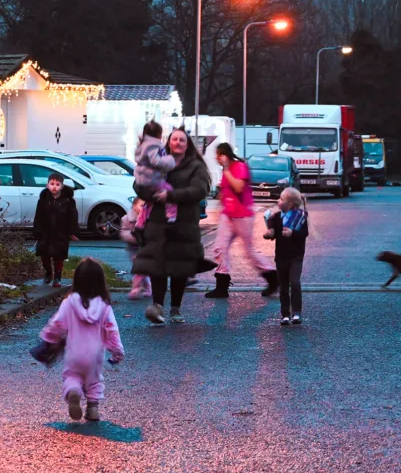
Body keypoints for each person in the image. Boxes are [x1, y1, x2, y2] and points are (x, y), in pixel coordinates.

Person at [132, 128, 215, 324]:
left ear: (188, 144)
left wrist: (172, 196)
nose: (177, 142)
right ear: (168, 142)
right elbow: (139, 183)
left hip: (184, 225)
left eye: (182, 140)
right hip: (157, 225)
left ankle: (175, 308)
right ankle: (157, 306)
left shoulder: (196, 166)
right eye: (174, 139)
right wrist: (148, 192)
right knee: (156, 266)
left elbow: (198, 190)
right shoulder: (157, 161)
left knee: (179, 268)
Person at [38, 258, 125, 422]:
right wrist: (117, 352)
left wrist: (48, 337)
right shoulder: (104, 306)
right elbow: (112, 330)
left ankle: (73, 391)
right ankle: (92, 408)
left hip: (74, 353)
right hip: (95, 354)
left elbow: (58, 323)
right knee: (94, 380)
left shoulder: (69, 302)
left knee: (72, 376)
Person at [206, 142, 278, 299]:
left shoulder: (239, 167)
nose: (217, 158)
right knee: (220, 248)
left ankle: (272, 278)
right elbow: (224, 191)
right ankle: (221, 285)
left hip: (242, 215)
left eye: (219, 155)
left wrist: (226, 169)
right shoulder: (226, 171)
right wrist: (220, 208)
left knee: (249, 251)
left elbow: (238, 187)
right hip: (228, 215)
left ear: (225, 154)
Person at [263, 187, 309, 325]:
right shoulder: (276, 217)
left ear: (289, 204)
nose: (278, 200)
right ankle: (285, 314)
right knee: (283, 286)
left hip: (296, 256)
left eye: (281, 199)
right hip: (281, 256)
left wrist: (292, 233)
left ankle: (296, 312)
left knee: (294, 283)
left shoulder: (300, 217)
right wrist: (268, 234)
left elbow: (304, 234)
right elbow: (271, 232)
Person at [33, 171, 78, 287]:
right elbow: (38, 216)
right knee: (44, 255)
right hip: (45, 233)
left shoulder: (68, 201)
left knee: (59, 256)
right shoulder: (43, 200)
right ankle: (48, 272)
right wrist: (37, 230)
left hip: (61, 233)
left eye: (57, 184)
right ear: (47, 185)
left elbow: (73, 217)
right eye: (52, 184)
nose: (54, 186)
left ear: (62, 186)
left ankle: (57, 277)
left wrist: (72, 231)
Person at [133, 121, 178, 228]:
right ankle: (171, 214)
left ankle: (140, 221)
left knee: (148, 204)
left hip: (146, 179)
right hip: (152, 179)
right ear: (159, 134)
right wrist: (169, 161)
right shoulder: (152, 145)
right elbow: (155, 161)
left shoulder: (143, 144)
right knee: (169, 191)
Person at [120, 198, 151, 299]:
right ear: (134, 206)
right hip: (133, 246)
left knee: (141, 268)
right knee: (141, 269)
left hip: (146, 246)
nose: (143, 208)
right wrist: (134, 236)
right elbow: (123, 232)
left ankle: (136, 287)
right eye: (141, 205)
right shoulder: (127, 219)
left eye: (145, 206)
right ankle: (147, 286)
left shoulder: (149, 217)